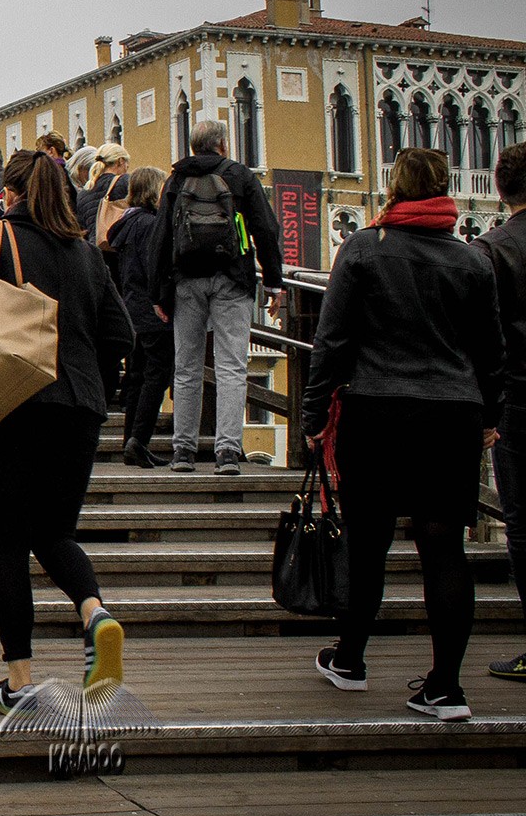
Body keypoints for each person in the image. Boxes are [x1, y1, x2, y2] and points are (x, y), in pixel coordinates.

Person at [305, 147, 502, 722]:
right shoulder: (471, 262)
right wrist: (490, 414)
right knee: (444, 549)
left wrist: (315, 415)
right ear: (443, 190)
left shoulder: (366, 248)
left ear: (396, 188)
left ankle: (350, 660)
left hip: (378, 409)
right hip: (451, 415)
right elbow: (491, 353)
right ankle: (444, 687)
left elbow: (333, 340)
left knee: (368, 543)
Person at [0, 150, 135, 714]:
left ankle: (21, 680)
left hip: (13, 403)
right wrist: (90, 384)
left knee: (7, 538)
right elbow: (121, 335)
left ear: (17, 193)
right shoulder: (85, 255)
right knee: (54, 533)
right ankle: (94, 612)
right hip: (79, 407)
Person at [148, 118, 285, 474]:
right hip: (232, 279)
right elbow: (266, 230)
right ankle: (226, 451)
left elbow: (160, 237)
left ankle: (183, 451)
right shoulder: (240, 176)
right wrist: (274, 282)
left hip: (186, 280)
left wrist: (158, 292)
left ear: (194, 146)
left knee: (187, 366)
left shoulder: (177, 179)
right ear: (222, 145)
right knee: (231, 367)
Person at [476, 141, 526, 683]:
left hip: (518, 396)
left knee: (524, 521)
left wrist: (486, 412)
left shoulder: (493, 250)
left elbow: (486, 341)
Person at [107, 166, 173, 468]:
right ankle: (139, 439)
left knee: (135, 376)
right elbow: (155, 268)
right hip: (151, 310)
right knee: (156, 375)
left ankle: (129, 441)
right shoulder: (150, 224)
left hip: (130, 309)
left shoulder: (126, 224)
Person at [79, 143, 132, 244]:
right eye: (126, 164)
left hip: (95, 251)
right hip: (117, 248)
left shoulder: (83, 193)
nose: (126, 169)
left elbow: (83, 228)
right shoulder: (124, 182)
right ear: (120, 161)